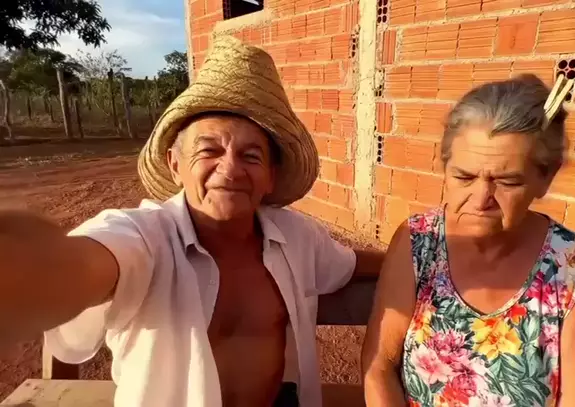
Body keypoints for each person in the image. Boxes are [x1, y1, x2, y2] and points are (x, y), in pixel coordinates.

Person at [0, 36, 381, 407]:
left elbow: (350, 264)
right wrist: (26, 270)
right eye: (209, 150)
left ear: (270, 177)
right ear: (175, 165)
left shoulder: (297, 236)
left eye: (251, 156)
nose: (230, 169)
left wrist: (412, 257)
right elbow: (74, 266)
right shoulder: (143, 236)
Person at [361, 74, 575, 407]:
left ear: (546, 177)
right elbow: (379, 367)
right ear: (445, 167)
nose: (481, 199)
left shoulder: (572, 264)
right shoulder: (419, 241)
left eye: (507, 182)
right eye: (464, 177)